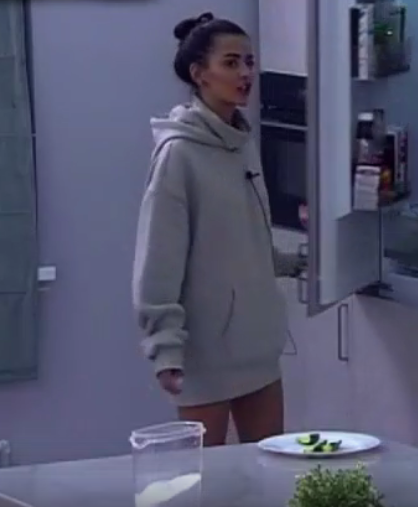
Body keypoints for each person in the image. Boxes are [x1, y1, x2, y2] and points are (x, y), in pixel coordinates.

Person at [132, 12, 305, 446]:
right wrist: (165, 349)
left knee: (268, 469)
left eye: (249, 62)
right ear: (199, 74)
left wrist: (301, 262)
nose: (245, 73)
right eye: (231, 63)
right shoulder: (179, 155)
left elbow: (241, 242)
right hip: (205, 355)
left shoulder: (241, 143)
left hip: (258, 350)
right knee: (208, 477)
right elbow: (158, 260)